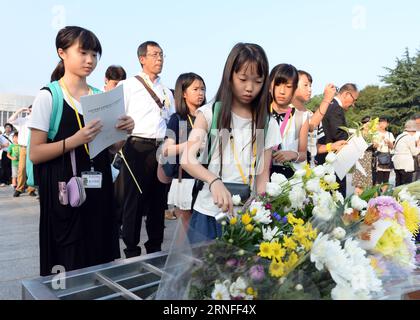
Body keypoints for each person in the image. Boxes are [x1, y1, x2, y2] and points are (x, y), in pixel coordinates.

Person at [28, 26, 134, 276]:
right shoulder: (48, 96)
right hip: (65, 194)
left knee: (100, 256)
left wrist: (124, 133)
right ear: (62, 53)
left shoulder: (100, 97)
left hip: (99, 190)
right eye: (83, 52)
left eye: (95, 54)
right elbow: (35, 153)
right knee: (67, 259)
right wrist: (74, 140)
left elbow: (112, 148)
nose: (90, 60)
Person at [181, 43, 281, 243]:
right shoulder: (210, 113)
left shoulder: (267, 123)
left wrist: (259, 209)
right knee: (202, 273)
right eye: (243, 79)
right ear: (230, 76)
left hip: (245, 220)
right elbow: (187, 159)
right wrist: (213, 181)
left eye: (258, 81)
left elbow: (262, 179)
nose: (250, 88)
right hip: (208, 214)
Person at [118, 41, 175, 258]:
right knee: (134, 200)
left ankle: (155, 247)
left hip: (161, 148)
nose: (159, 58)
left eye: (161, 54)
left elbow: (170, 121)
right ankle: (131, 249)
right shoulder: (128, 85)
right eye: (154, 55)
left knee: (158, 201)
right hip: (136, 146)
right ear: (142, 58)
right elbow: (117, 117)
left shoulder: (167, 92)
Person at [163, 73, 207, 231]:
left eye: (203, 89)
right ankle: (183, 256)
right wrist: (191, 145)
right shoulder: (177, 118)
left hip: (205, 179)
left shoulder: (209, 116)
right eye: (195, 89)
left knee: (203, 228)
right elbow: (166, 149)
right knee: (186, 229)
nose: (200, 92)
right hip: (185, 179)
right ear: (183, 93)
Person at [317, 83, 359, 197]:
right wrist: (356, 140)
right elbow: (338, 133)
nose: (353, 104)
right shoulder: (335, 107)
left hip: (325, 156)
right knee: (337, 197)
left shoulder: (330, 105)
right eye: (354, 100)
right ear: (346, 94)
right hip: (332, 159)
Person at [291, 70, 341, 166]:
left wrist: (332, 146)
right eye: (305, 85)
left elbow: (313, 147)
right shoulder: (288, 111)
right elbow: (310, 126)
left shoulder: (310, 113)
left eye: (310, 86)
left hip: (309, 169)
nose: (309, 89)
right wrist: (326, 99)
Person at [269, 64, 308, 178]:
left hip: (289, 177)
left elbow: (303, 154)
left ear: (295, 89)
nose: (282, 91)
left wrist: (292, 154)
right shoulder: (260, 114)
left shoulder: (301, 117)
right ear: (270, 86)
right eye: (277, 84)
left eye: (288, 86)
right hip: (262, 174)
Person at [8, 107, 37, 197]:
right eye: (30, 109)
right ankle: (19, 188)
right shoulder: (23, 120)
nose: (32, 110)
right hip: (23, 148)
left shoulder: (38, 119)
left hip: (33, 147)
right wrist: (20, 110)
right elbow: (10, 120)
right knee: (22, 169)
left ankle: (31, 189)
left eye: (33, 109)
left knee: (32, 169)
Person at [392, 120, 420, 186]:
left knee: (398, 183)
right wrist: (418, 145)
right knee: (406, 185)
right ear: (413, 130)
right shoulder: (409, 138)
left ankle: (396, 196)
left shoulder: (399, 136)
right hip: (406, 165)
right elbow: (414, 152)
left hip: (397, 164)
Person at [351, 116, 375, 195]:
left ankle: (364, 200)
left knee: (367, 182)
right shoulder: (358, 133)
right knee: (359, 182)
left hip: (368, 158)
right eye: (366, 123)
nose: (367, 125)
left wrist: (375, 145)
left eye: (369, 124)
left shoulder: (372, 134)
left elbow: (374, 146)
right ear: (362, 124)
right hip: (360, 158)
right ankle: (356, 200)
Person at [373, 117, 395, 190]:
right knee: (378, 179)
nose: (383, 124)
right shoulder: (375, 133)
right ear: (379, 123)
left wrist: (388, 142)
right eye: (381, 122)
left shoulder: (389, 134)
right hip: (378, 156)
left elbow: (392, 147)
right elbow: (373, 146)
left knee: (386, 179)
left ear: (387, 124)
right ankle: (376, 196)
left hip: (387, 156)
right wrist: (379, 141)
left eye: (385, 123)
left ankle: (384, 196)